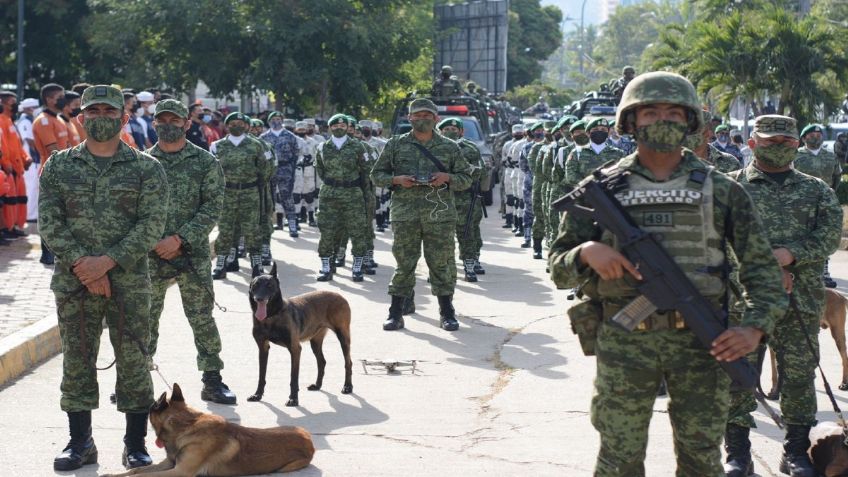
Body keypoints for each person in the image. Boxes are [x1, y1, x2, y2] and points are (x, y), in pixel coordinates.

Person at [548, 72, 786, 476]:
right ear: (630, 121)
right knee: (618, 459)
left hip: (703, 341)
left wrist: (754, 329)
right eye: (651, 111)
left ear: (690, 121)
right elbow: (558, 266)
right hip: (625, 342)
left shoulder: (722, 189)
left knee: (701, 460)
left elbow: (762, 270)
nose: (663, 120)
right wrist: (588, 252)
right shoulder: (602, 189)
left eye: (674, 112)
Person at [39, 84, 169, 471]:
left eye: (108, 112)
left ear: (123, 118)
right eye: (92, 112)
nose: (100, 119)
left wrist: (107, 263)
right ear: (81, 118)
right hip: (74, 280)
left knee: (133, 360)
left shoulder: (148, 168)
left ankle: (135, 443)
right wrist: (84, 264)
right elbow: (50, 221)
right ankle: (80, 443)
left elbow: (152, 224)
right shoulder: (59, 166)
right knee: (77, 359)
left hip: (128, 280)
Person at [725, 115, 842, 477]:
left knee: (798, 378)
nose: (780, 148)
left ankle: (795, 451)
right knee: (740, 375)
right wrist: (764, 266)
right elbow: (715, 239)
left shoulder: (816, 190)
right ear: (753, 143)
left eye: (787, 143)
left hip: (800, 302)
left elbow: (828, 235)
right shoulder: (729, 188)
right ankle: (738, 454)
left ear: (796, 146)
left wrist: (791, 254)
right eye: (771, 141)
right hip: (744, 303)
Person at [144, 98, 235, 405]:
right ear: (155, 123)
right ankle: (138, 378)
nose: (169, 125)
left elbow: (212, 207)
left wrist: (180, 239)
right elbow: (132, 210)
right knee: (144, 318)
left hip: (191, 254)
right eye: (163, 120)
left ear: (187, 124)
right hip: (150, 254)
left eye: (175, 120)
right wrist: (156, 241)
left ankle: (212, 378)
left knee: (201, 318)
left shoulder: (205, 162)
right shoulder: (141, 163)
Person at [371, 98, 472, 331]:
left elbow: (467, 179)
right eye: (417, 116)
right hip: (405, 214)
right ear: (410, 118)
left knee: (441, 264)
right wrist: (397, 180)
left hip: (440, 215)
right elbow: (376, 175)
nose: (422, 120)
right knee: (404, 263)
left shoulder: (450, 147)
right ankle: (395, 312)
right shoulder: (395, 145)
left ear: (436, 119)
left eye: (427, 116)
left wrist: (448, 178)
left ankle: (447, 312)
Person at [210, 112, 273, 279]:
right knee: (225, 228)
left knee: (252, 228)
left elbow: (266, 169)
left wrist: (255, 183)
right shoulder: (217, 146)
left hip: (250, 192)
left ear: (247, 126)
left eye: (240, 123)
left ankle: (256, 264)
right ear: (226, 125)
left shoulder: (256, 145)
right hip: (227, 192)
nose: (236, 125)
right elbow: (212, 171)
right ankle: (221, 263)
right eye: (232, 123)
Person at [314, 114, 370, 282]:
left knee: (357, 231)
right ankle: (326, 267)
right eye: (335, 126)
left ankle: (357, 267)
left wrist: (365, 195)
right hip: (329, 194)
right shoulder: (322, 147)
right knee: (327, 231)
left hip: (352, 193)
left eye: (342, 125)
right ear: (330, 128)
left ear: (347, 127)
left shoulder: (358, 147)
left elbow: (366, 171)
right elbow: (320, 170)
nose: (339, 128)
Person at [438, 118, 488, 282]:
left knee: (467, 233)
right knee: (441, 236)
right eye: (446, 129)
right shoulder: (434, 147)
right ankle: (439, 269)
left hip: (466, 198)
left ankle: (469, 265)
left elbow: (480, 171)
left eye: (453, 128)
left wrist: (456, 175)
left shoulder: (470, 149)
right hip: (440, 198)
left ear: (461, 131)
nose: (449, 132)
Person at [794, 123, 842, 289]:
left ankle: (825, 272)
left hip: (824, 203)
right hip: (801, 203)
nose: (816, 136)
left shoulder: (831, 156)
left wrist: (829, 195)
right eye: (812, 134)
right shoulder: (796, 156)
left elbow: (837, 177)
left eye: (819, 134)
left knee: (825, 235)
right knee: (803, 236)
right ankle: (804, 271)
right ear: (804, 138)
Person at [33, 83, 71, 264]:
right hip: (51, 172)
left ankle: (57, 250)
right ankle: (46, 252)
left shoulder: (60, 119)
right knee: (49, 213)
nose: (63, 99)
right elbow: (53, 150)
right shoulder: (44, 121)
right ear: (49, 99)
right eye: (59, 96)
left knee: (63, 213)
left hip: (64, 171)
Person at [259, 111, 300, 237]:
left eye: (278, 118)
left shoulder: (290, 136)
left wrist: (291, 169)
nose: (276, 121)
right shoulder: (263, 137)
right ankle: (267, 225)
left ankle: (292, 224)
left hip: (285, 169)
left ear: (282, 121)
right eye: (273, 119)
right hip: (270, 171)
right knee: (269, 198)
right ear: (269, 121)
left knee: (286, 196)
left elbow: (296, 153)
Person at [0, 91, 32, 239]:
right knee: (9, 200)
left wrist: (26, 158)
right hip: (9, 167)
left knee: (18, 199)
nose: (16, 104)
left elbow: (17, 146)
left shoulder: (10, 120)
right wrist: (6, 163)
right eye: (13, 101)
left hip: (17, 167)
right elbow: (4, 147)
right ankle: (7, 227)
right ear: (5, 103)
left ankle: (13, 226)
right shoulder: (2, 120)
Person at [17, 97, 40, 222]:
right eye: (35, 107)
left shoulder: (30, 119)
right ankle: (29, 216)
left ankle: (33, 214)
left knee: (34, 187)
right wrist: (40, 149)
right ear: (29, 108)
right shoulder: (24, 121)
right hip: (29, 159)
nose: (36, 110)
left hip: (33, 159)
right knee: (30, 187)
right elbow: (29, 140)